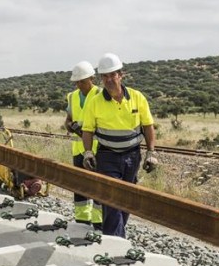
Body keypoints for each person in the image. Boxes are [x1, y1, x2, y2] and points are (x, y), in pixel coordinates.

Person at [81, 53, 158, 238]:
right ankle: (116, 242)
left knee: (128, 198)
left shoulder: (137, 98)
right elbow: (87, 130)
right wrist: (88, 152)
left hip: (132, 155)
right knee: (112, 198)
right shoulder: (95, 102)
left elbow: (148, 126)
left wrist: (151, 152)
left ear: (120, 75)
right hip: (107, 157)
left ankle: (117, 235)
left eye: (112, 75)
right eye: (104, 76)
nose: (108, 80)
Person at [64, 61, 103, 230]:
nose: (79, 84)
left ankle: (98, 222)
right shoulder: (72, 96)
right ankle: (82, 221)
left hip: (97, 149)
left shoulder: (101, 95)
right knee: (79, 187)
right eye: (77, 82)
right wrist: (71, 126)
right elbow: (68, 120)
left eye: (82, 81)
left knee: (97, 186)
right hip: (79, 149)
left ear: (92, 78)